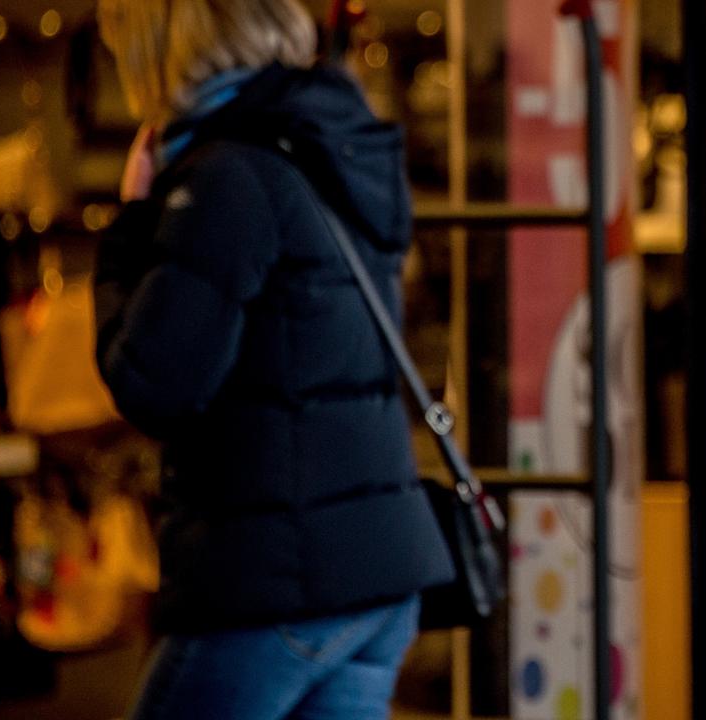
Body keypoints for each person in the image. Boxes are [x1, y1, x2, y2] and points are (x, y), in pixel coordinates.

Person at [93, 1, 454, 717]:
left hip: (277, 583)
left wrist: (131, 226)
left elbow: (153, 383)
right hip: (375, 575)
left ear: (166, 47)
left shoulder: (228, 175)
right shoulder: (330, 146)